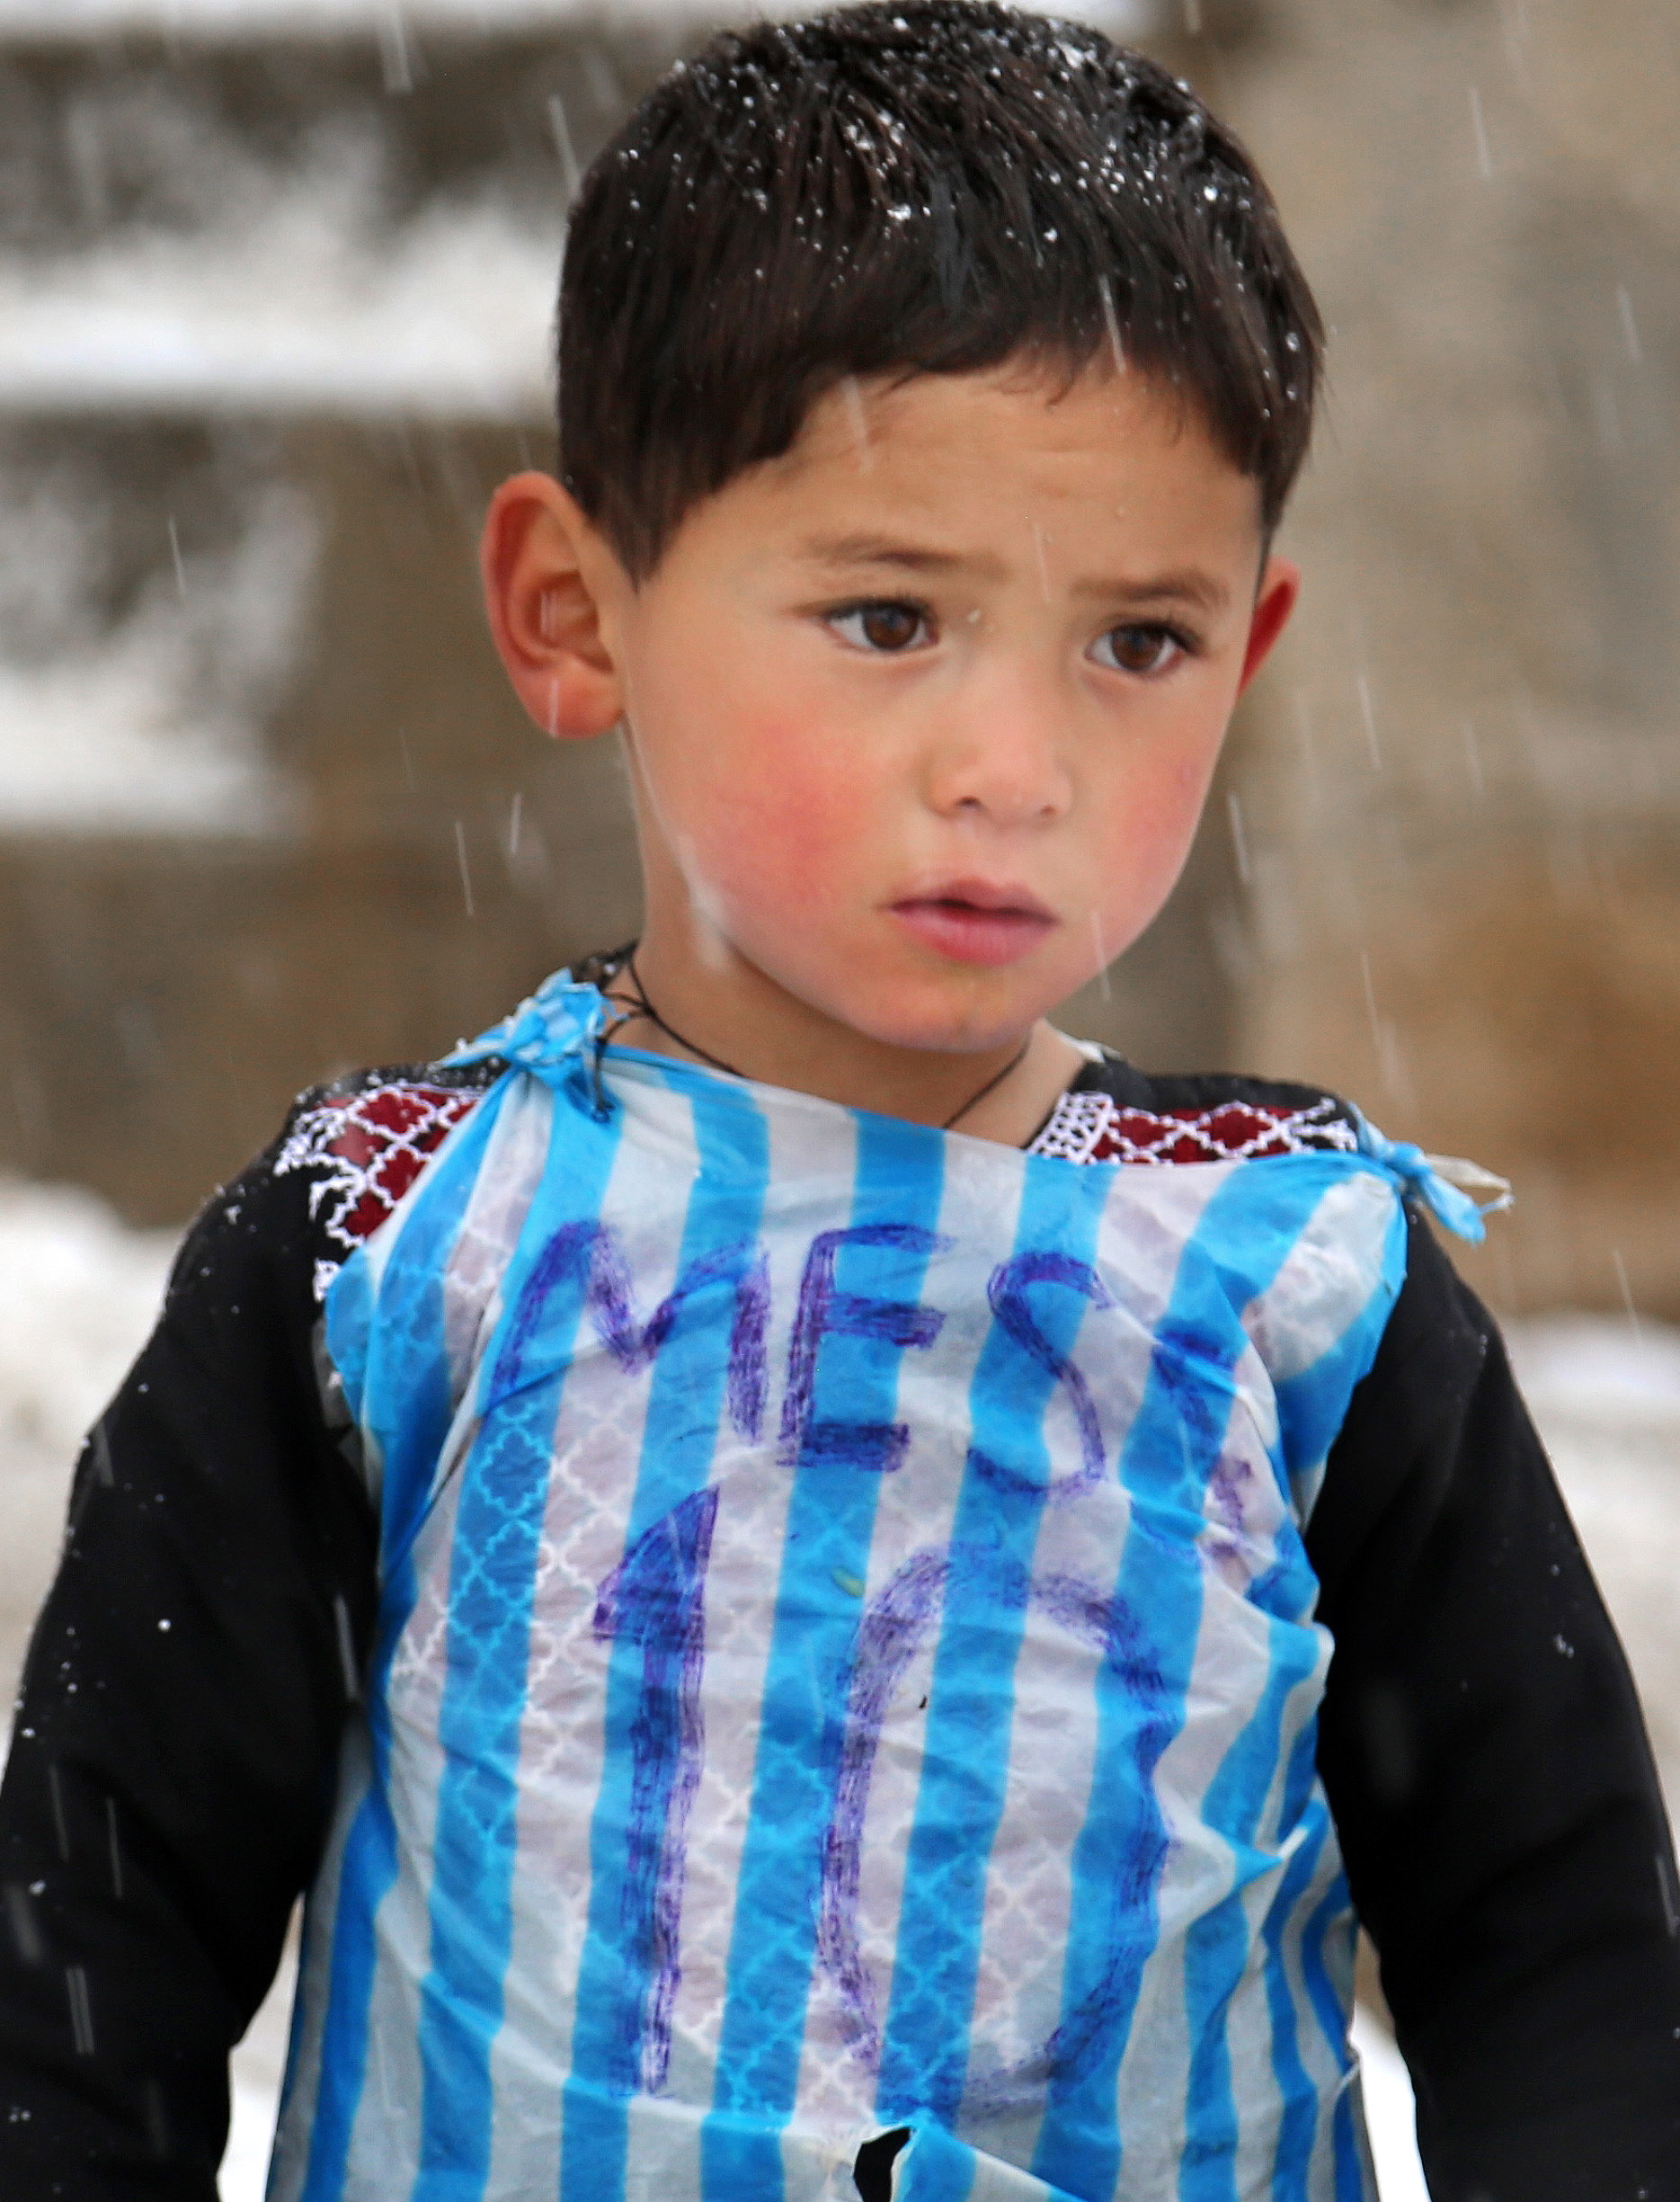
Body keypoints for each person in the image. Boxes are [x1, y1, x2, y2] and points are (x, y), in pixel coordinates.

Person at [1, 4, 1676, 2198]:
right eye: (890, 617)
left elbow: (1556, 1963)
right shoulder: (392, 1250)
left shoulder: (1295, 1288)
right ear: (570, 610)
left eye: (1135, 642)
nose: (1015, 762)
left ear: (1250, 653)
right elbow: (87, 1960)